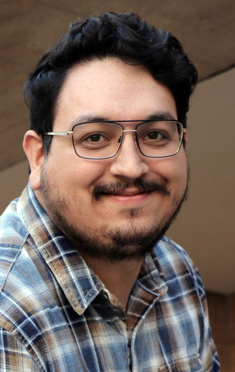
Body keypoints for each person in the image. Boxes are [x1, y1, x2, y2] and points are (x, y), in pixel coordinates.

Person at [0, 12, 220, 372]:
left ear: (181, 144)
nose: (131, 167)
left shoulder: (178, 272)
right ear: (38, 157)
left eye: (155, 134)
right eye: (95, 137)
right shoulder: (7, 317)